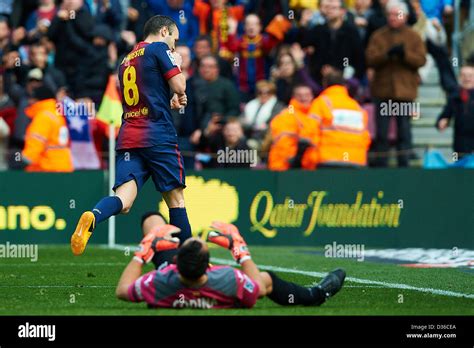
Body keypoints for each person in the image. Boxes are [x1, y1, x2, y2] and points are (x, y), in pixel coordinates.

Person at [70, 15, 192, 256]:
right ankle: (189, 262)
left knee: (123, 201)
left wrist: (169, 102)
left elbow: (145, 97)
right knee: (176, 200)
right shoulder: (159, 48)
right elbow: (180, 85)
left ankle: (93, 216)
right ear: (165, 31)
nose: (174, 46)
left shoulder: (126, 59)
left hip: (129, 137)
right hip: (158, 135)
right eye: (174, 40)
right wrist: (177, 64)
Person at [116, 219, 346, 309]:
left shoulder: (159, 281)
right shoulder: (228, 278)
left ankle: (153, 228)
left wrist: (144, 251)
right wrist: (239, 247)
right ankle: (315, 294)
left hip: (172, 291)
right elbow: (256, 286)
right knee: (266, 279)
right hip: (211, 290)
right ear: (210, 266)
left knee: (151, 219)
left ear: (174, 261)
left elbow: (123, 291)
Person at [366, 0, 426, 167]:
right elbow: (370, 58)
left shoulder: (413, 36)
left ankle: (404, 164)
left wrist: (404, 54)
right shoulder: (378, 36)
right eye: (390, 14)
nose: (392, 18)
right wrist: (386, 55)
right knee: (382, 133)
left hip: (405, 92)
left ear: (405, 16)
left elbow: (421, 60)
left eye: (396, 14)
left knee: (404, 131)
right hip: (383, 91)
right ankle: (381, 165)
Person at [310, 70, 371, 168]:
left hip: (328, 159)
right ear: (344, 85)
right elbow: (366, 137)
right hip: (356, 161)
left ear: (325, 84)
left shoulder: (321, 102)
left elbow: (310, 132)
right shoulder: (356, 106)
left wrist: (312, 159)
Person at [18, 85, 73, 172]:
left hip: (46, 169)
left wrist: (17, 159)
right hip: (63, 165)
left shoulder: (43, 117)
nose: (29, 101)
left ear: (37, 100)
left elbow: (35, 146)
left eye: (32, 98)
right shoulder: (56, 115)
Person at [268, 84, 319, 171]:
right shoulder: (287, 115)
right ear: (294, 97)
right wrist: (292, 160)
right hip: (286, 168)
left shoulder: (314, 115)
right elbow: (283, 142)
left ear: (312, 97)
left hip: (309, 167)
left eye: (307, 95)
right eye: (299, 95)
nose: (304, 98)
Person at [436, 64, 474, 158]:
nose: (467, 78)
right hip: (460, 143)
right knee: (460, 167)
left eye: (470, 76)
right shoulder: (454, 96)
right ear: (459, 77)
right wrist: (443, 121)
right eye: (464, 75)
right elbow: (445, 114)